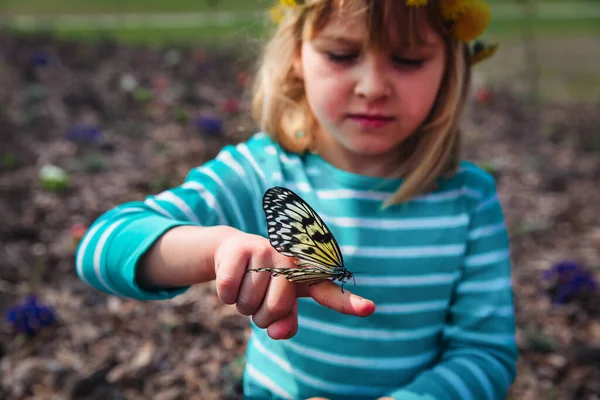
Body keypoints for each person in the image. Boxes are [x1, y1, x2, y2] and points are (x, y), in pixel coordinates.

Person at [75, 0, 517, 399]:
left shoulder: (468, 198)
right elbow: (102, 245)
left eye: (408, 59)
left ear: (451, 68)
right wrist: (216, 249)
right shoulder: (261, 172)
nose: (373, 86)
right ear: (296, 56)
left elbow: (485, 354)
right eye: (342, 54)